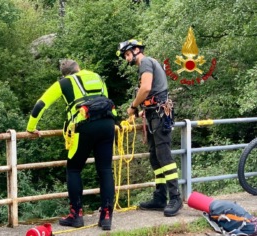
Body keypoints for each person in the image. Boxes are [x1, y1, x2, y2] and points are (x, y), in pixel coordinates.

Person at [26, 59, 117, 230]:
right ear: (78, 68)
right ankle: (106, 217)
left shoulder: (65, 82)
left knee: (74, 169)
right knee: (105, 170)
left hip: (84, 126)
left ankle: (76, 215)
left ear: (64, 73)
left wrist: (31, 128)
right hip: (108, 124)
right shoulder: (97, 77)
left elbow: (41, 104)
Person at [117, 39, 182, 217]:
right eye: (125, 56)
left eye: (127, 54)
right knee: (155, 157)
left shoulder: (145, 62)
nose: (126, 58)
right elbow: (152, 94)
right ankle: (160, 196)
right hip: (154, 113)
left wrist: (132, 106)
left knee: (163, 155)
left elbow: (146, 88)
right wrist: (141, 111)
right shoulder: (149, 63)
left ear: (137, 50)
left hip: (159, 114)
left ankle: (175, 197)